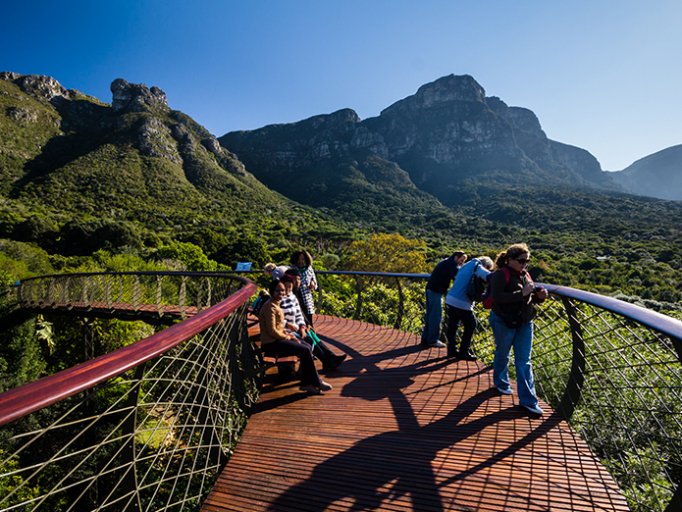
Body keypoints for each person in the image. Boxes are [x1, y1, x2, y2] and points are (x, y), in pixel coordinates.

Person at [488, 243, 548, 415]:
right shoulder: (500, 275)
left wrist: (539, 297)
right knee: (502, 352)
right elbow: (498, 298)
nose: (524, 264)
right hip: (503, 320)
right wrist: (521, 294)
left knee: (524, 361)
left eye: (527, 261)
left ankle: (529, 401)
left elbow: (528, 299)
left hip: (524, 321)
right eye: (521, 260)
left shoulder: (525, 275)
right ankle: (501, 383)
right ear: (509, 260)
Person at [258, 278, 332, 395]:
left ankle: (308, 383)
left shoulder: (275, 305)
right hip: (271, 344)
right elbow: (272, 331)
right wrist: (288, 337)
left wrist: (288, 334)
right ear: (272, 291)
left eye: (282, 291)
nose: (281, 293)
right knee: (304, 349)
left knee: (307, 345)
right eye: (277, 291)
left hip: (278, 340)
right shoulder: (270, 308)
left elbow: (279, 327)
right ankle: (314, 382)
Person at [280, 273, 347, 370]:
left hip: (297, 326)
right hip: (288, 330)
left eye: (290, 286)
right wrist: (299, 327)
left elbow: (299, 314)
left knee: (311, 333)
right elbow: (281, 319)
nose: (288, 288)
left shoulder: (291, 297)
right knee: (308, 337)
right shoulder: (279, 299)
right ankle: (327, 360)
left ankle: (330, 357)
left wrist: (305, 325)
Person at [444, 256, 494, 360]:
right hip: (462, 301)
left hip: (451, 298)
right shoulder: (478, 266)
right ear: (486, 265)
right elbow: (489, 277)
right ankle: (464, 351)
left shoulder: (466, 265)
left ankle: (451, 349)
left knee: (453, 325)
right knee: (471, 324)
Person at [421, 251, 467, 349]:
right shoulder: (451, 264)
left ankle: (425, 338)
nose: (461, 263)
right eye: (461, 260)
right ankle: (432, 340)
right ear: (456, 257)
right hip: (435, 291)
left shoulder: (445, 262)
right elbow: (457, 275)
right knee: (436, 315)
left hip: (431, 289)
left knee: (430, 315)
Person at [290, 250, 318, 326]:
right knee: (299, 318)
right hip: (296, 297)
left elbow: (314, 282)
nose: (300, 261)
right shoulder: (292, 269)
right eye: (299, 259)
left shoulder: (309, 268)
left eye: (303, 259)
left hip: (307, 297)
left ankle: (310, 334)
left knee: (309, 319)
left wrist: (313, 283)